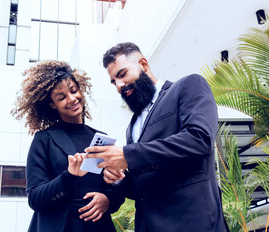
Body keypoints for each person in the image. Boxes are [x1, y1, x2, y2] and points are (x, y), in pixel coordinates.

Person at [85, 42, 229, 231]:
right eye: (114, 82)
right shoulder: (132, 127)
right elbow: (143, 189)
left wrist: (128, 155)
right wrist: (120, 178)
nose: (119, 86)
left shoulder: (188, 86)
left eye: (122, 74)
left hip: (193, 223)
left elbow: (199, 139)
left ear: (143, 64)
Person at [11, 60, 124, 232]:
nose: (72, 99)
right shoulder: (44, 140)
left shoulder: (101, 139)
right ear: (52, 104)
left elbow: (116, 188)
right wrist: (69, 176)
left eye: (73, 90)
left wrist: (107, 199)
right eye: (61, 97)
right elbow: (35, 198)